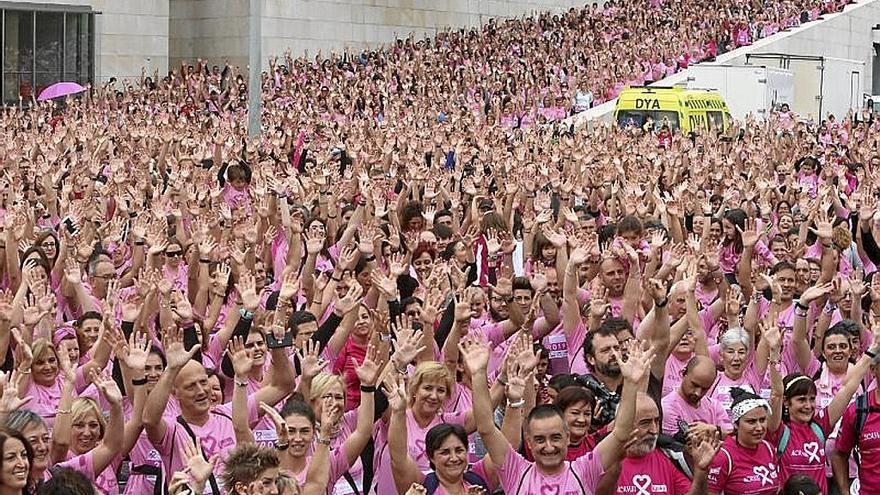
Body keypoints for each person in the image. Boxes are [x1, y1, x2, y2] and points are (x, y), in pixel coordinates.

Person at [463, 330, 654, 494]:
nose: (549, 446)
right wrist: (479, 374)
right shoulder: (516, 470)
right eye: (539, 439)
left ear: (567, 436)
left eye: (555, 437)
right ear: (528, 441)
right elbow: (486, 427)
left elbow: (621, 432)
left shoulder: (584, 470)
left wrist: (630, 383)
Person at [707, 387, 781, 495]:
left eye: (762, 420)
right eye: (751, 422)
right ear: (736, 424)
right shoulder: (723, 455)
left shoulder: (768, 448)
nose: (759, 427)